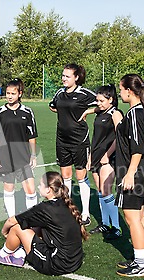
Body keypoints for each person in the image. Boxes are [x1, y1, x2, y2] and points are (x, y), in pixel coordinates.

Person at [0, 171, 88, 276]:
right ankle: (21, 253)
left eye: (41, 185)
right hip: (75, 261)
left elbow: (12, 221)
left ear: (49, 190)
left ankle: (3, 254)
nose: (38, 186)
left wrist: (4, 232)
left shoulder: (45, 208)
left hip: (57, 264)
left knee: (17, 227)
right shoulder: (66, 203)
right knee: (36, 225)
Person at [49, 63, 98, 227]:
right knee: (66, 175)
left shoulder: (84, 93)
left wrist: (86, 111)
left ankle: (85, 213)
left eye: (67, 76)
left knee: (81, 176)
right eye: (63, 75)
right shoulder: (60, 93)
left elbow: (101, 103)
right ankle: (68, 210)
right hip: (62, 140)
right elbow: (52, 106)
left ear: (76, 78)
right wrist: (65, 113)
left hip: (79, 140)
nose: (64, 78)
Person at [114, 74, 144, 277]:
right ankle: (141, 258)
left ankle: (141, 264)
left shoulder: (136, 113)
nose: (120, 93)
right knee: (138, 215)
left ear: (129, 91)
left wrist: (129, 174)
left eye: (121, 89)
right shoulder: (136, 112)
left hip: (134, 172)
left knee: (132, 218)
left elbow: (137, 149)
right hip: (139, 171)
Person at [0, 78, 38, 218]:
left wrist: (33, 155)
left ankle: (31, 218)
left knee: (30, 190)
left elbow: (32, 136)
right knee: (9, 188)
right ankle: (12, 219)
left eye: (13, 93)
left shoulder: (28, 112)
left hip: (23, 157)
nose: (10, 96)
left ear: (20, 94)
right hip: (5, 157)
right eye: (8, 93)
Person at [80, 84, 124, 240]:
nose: (97, 103)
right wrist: (91, 156)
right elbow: (97, 136)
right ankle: (105, 223)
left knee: (106, 191)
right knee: (100, 191)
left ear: (111, 99)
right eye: (96, 100)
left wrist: (107, 154)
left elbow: (120, 137)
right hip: (97, 156)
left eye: (101, 100)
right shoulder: (101, 111)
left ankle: (117, 228)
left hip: (109, 157)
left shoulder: (115, 113)